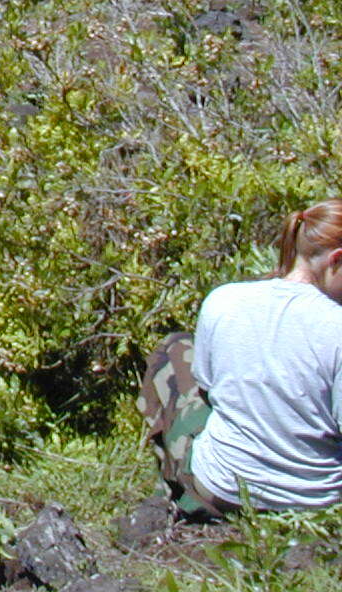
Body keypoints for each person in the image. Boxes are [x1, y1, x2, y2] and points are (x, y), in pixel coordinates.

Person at [139, 200, 342, 517]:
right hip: (321, 503)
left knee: (175, 349)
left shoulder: (224, 300)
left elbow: (207, 388)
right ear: (335, 260)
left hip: (223, 490)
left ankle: (178, 491)